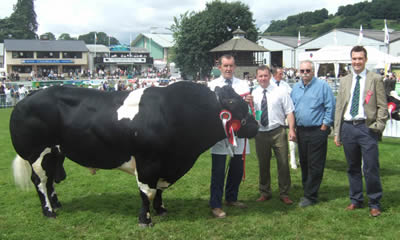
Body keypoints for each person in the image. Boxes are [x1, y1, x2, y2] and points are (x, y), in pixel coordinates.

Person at [334, 46, 388, 217]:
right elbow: (339, 107)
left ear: (365, 59)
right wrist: (337, 132)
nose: (356, 62)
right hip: (348, 128)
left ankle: (374, 202)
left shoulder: (375, 79)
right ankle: (356, 199)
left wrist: (378, 126)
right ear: (351, 60)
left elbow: (383, 106)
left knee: (371, 167)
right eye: (354, 58)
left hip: (367, 128)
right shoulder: (345, 80)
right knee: (352, 167)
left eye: (360, 58)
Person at [208, 54, 252, 218]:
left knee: (237, 169)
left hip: (239, 132)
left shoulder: (243, 84)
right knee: (218, 171)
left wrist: (249, 101)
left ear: (235, 67)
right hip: (220, 134)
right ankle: (215, 204)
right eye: (225, 66)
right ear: (219, 67)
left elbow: (247, 108)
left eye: (231, 66)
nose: (228, 69)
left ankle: (232, 198)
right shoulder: (212, 85)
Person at [290, 60, 335, 207]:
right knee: (304, 162)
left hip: (317, 130)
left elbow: (330, 106)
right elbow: (292, 108)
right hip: (301, 130)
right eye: (302, 71)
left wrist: (324, 126)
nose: (304, 74)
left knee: (315, 164)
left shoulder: (322, 87)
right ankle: (307, 190)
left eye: (307, 71)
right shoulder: (295, 88)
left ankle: (311, 196)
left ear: (313, 71)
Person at [252, 65, 296, 205]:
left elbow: (289, 111)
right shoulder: (254, 93)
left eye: (265, 75)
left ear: (270, 76)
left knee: (283, 163)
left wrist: (292, 130)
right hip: (261, 133)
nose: (263, 78)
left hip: (278, 131)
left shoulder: (280, 91)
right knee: (263, 164)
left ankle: (284, 193)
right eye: (260, 76)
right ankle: (265, 192)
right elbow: (254, 113)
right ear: (257, 77)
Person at [271, 67, 298, 169]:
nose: (282, 76)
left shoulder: (284, 85)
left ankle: (292, 159)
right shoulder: (269, 84)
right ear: (274, 74)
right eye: (280, 74)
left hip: (286, 113)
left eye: (282, 74)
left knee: (291, 133)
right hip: (275, 115)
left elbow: (291, 95)